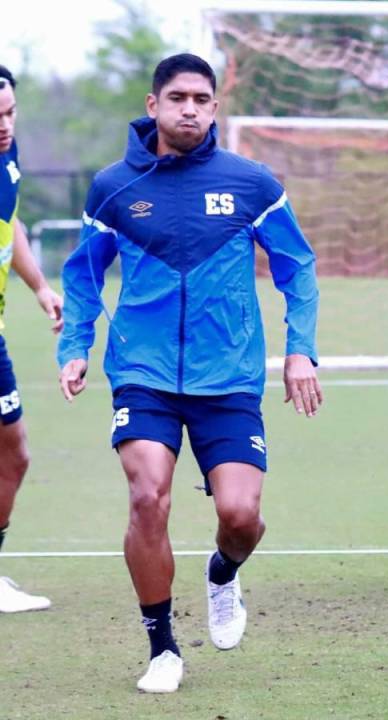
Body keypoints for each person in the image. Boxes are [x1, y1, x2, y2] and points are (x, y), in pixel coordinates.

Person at [56, 54, 321, 693]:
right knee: (147, 496)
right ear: (153, 106)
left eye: (202, 99)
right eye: (177, 97)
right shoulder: (113, 187)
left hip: (227, 375)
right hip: (142, 371)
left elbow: (299, 268)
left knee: (240, 515)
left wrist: (299, 350)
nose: (190, 109)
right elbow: (83, 274)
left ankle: (224, 573)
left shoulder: (253, 183)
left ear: (214, 108)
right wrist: (76, 342)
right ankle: (163, 648)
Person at [0, 65, 64, 613]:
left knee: (12, 455)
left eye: (10, 112)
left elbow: (10, 222)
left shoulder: (7, 155)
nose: (4, 125)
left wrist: (40, 285)